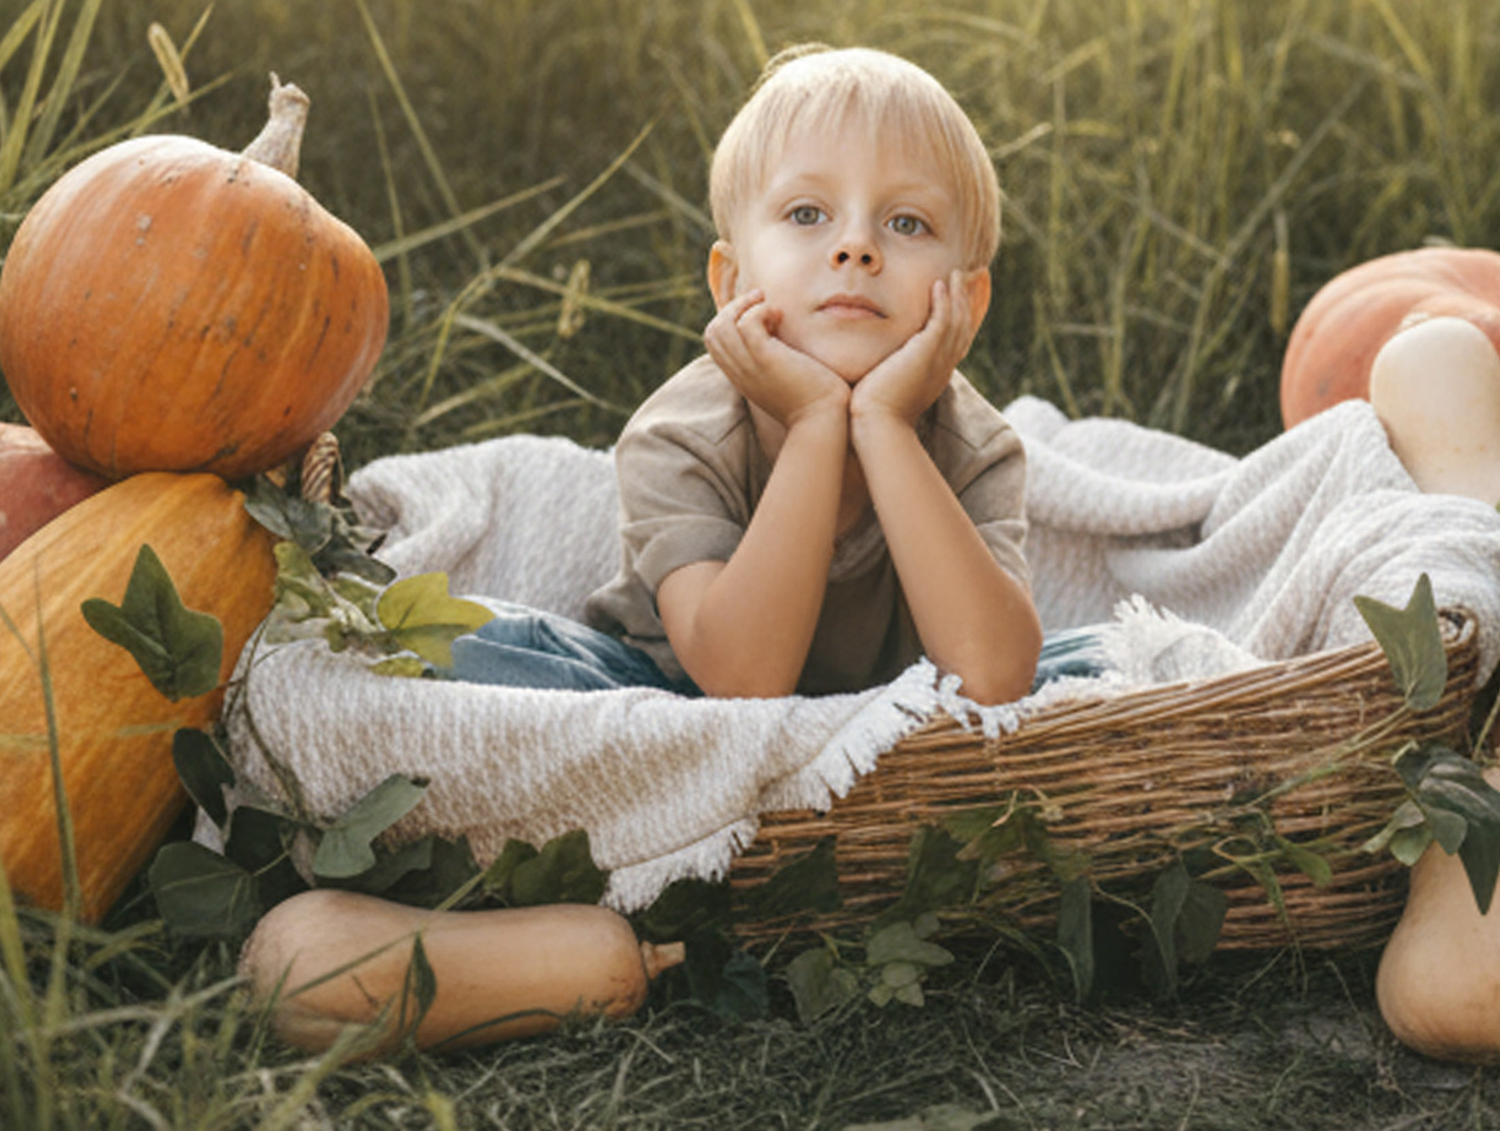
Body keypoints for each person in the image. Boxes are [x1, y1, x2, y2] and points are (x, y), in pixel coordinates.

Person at [452, 44, 1066, 703]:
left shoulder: (976, 447)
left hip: (899, 712)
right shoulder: (680, 433)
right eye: (807, 214)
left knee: (1095, 660)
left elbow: (995, 678)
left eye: (906, 222)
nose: (855, 246)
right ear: (732, 281)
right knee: (474, 646)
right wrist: (814, 421)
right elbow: (743, 680)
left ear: (968, 306)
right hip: (678, 700)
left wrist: (885, 423)